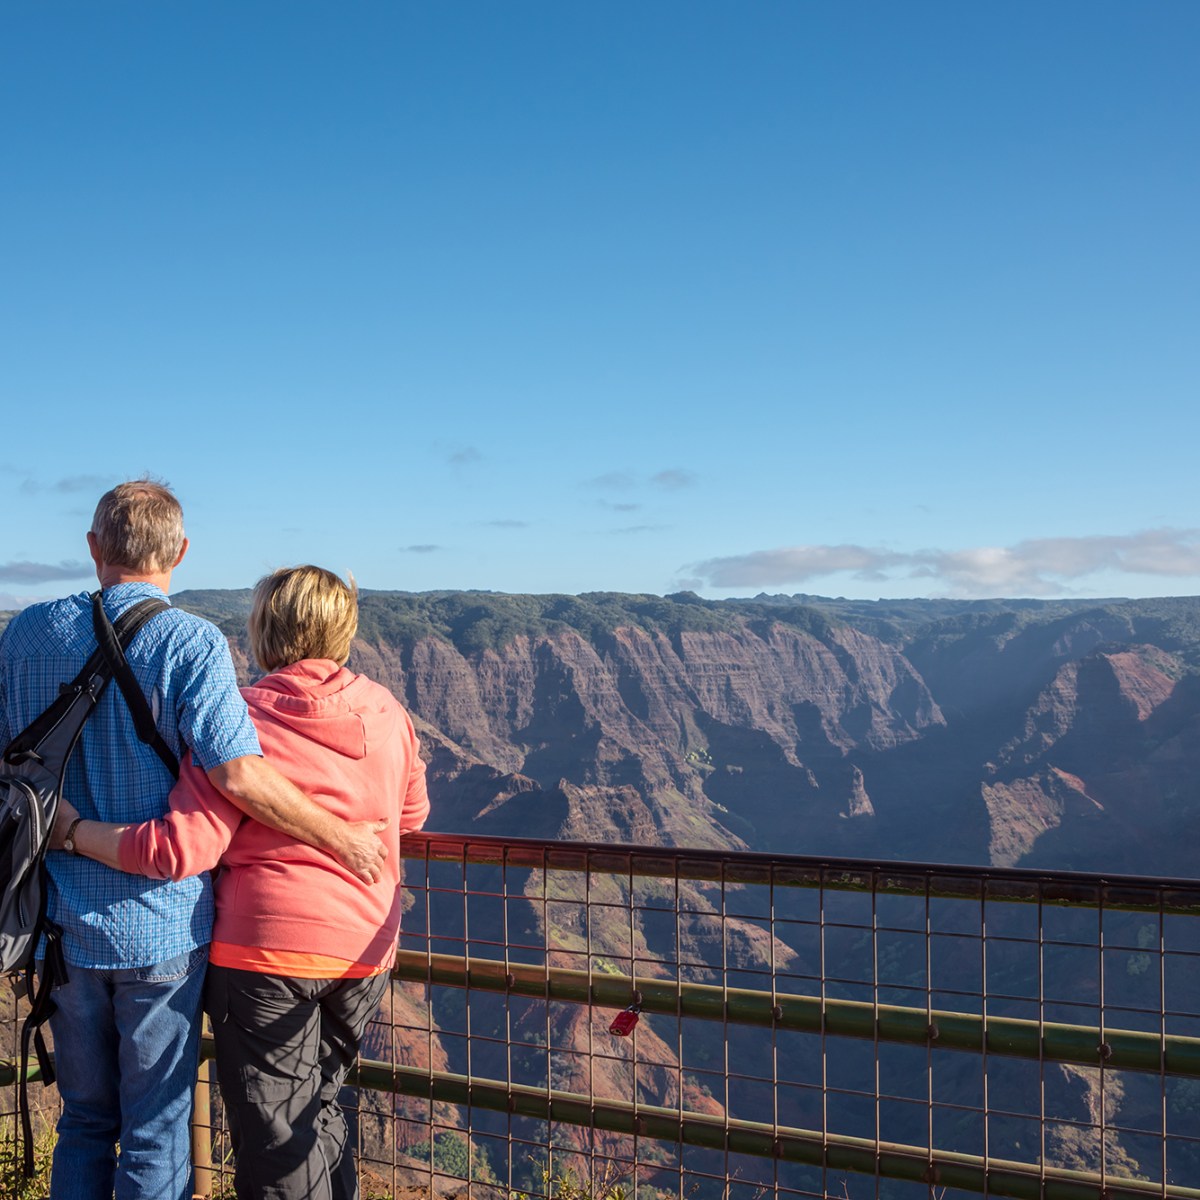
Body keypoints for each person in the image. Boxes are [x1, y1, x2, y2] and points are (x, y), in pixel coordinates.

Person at [0, 480, 388, 1200]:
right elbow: (239, 775)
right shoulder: (191, 642)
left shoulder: (23, 635)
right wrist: (344, 839)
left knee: (84, 1121)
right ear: (180, 551)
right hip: (160, 934)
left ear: (92, 549)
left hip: (55, 926)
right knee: (154, 1128)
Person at [55, 564, 429, 1200]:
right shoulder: (387, 710)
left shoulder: (241, 717)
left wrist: (71, 831)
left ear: (266, 628)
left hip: (267, 953)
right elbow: (413, 814)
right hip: (366, 946)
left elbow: (182, 846)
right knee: (323, 1108)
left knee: (276, 1136)